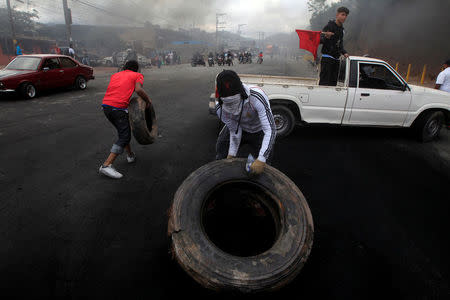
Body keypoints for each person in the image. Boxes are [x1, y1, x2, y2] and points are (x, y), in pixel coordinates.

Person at [215, 70, 276, 175]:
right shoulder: (219, 108)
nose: (233, 109)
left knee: (265, 164)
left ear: (242, 94)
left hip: (259, 130)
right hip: (240, 127)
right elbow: (234, 130)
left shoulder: (257, 96)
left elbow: (270, 130)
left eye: (234, 102)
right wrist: (232, 153)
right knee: (221, 150)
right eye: (228, 103)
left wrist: (261, 159)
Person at [99, 60, 152, 179]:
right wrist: (148, 100)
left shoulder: (115, 75)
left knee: (123, 130)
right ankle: (106, 165)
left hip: (106, 106)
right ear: (136, 69)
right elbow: (138, 90)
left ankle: (130, 155)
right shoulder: (137, 75)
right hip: (117, 109)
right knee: (125, 136)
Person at [319, 6, 350, 86]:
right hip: (327, 58)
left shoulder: (342, 30)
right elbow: (319, 40)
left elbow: (340, 43)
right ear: (337, 15)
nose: (344, 17)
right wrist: (326, 37)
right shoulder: (329, 26)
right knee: (324, 83)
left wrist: (344, 52)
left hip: (336, 59)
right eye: (342, 14)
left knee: (333, 83)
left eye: (346, 15)